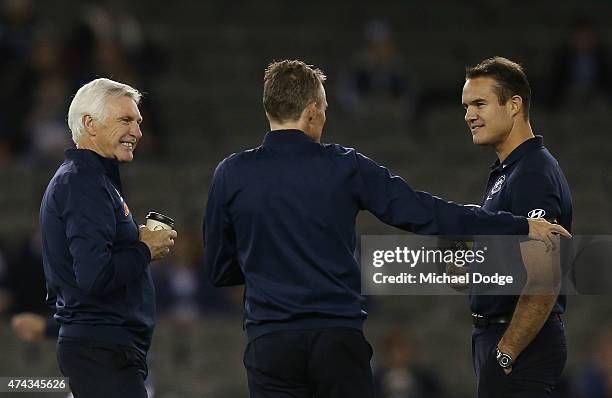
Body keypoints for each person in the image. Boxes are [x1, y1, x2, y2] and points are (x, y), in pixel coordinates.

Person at [204, 59, 570, 398]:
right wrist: (518, 224)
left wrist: (265, 269)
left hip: (270, 343)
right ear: (313, 112)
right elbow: (424, 212)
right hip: (337, 341)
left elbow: (220, 269)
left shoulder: (230, 174)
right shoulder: (344, 167)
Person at [40, 78, 177, 398]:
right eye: (126, 120)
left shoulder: (91, 180)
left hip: (105, 349)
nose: (138, 132)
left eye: (139, 122)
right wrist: (144, 249)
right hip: (101, 350)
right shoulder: (83, 183)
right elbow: (94, 275)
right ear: (90, 124)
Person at [461, 57, 572, 397]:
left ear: (513, 105)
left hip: (520, 340)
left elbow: (544, 277)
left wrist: (507, 351)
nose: (468, 116)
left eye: (479, 103)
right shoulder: (509, 171)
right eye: (466, 106)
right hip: (497, 335)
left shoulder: (532, 174)